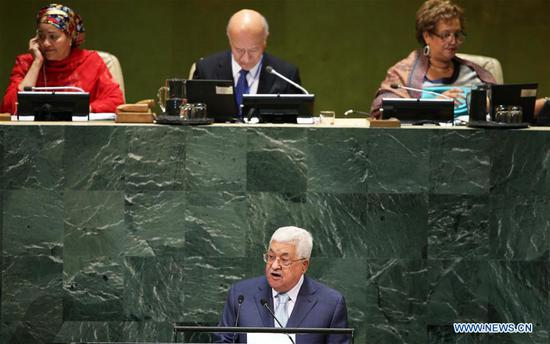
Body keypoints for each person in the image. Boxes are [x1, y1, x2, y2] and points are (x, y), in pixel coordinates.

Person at [216, 226, 349, 343]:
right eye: (271, 257)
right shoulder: (241, 295)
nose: (274, 266)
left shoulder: (331, 304)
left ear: (304, 265)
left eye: (284, 260)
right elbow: (222, 341)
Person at [369, 0, 496, 119]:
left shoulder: (474, 73)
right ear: (427, 36)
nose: (453, 41)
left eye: (457, 34)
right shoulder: (403, 73)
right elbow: (381, 110)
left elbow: (500, 106)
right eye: (445, 35)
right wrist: (433, 107)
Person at [1, 3, 124, 114]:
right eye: (41, 36)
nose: (46, 43)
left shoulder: (91, 62)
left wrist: (84, 109)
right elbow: (8, 108)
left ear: (70, 38)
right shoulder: (26, 62)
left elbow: (116, 102)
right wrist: (37, 63)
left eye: (53, 37)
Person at [192, 9, 302, 115]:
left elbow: (296, 124)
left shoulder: (286, 75)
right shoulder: (206, 70)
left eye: (253, 50)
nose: (245, 58)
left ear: (265, 40)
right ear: (229, 39)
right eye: (239, 50)